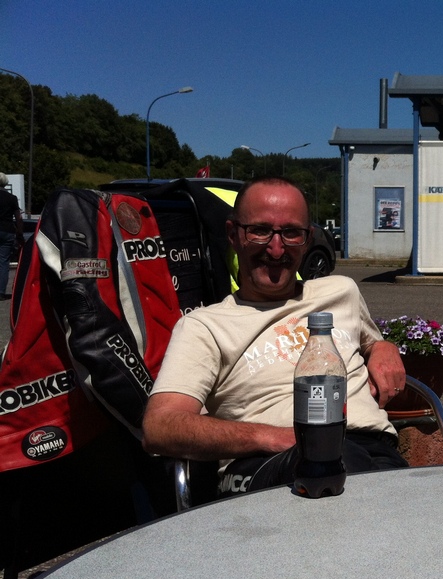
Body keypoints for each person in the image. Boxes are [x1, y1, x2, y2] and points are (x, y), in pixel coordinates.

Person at [142, 176, 408, 496]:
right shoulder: (204, 326)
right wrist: (274, 437)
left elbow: (369, 342)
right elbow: (160, 426)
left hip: (373, 449)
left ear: (307, 240)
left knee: (402, 491)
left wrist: (382, 346)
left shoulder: (341, 291)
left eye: (291, 233)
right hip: (267, 460)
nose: (276, 248)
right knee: (352, 478)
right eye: (260, 230)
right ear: (233, 235)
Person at [0, 173, 24, 300]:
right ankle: (1, 292)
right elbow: (18, 218)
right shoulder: (12, 198)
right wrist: (19, 234)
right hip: (7, 231)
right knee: (3, 262)